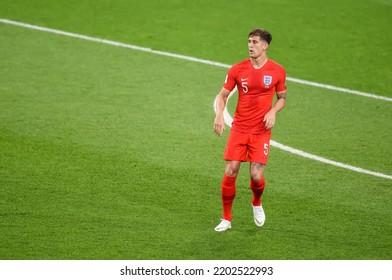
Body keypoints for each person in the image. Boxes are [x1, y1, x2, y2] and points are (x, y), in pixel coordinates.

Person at [213, 28, 287, 232]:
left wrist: (273, 111)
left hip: (261, 131)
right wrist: (219, 115)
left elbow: (282, 98)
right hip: (240, 128)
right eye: (249, 41)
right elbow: (222, 95)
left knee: (255, 175)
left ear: (265, 46)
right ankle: (226, 218)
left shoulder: (277, 71)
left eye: (254, 42)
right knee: (231, 170)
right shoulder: (238, 69)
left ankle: (256, 202)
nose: (250, 45)